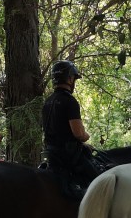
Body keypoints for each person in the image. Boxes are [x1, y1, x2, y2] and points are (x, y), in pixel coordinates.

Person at [42, 60, 102, 194]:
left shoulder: (48, 101)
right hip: (68, 157)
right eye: (74, 78)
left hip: (51, 154)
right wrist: (87, 136)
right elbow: (79, 133)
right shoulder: (69, 101)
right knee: (100, 182)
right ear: (69, 79)